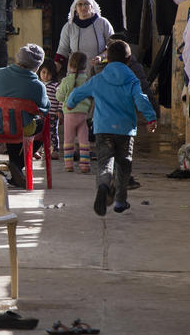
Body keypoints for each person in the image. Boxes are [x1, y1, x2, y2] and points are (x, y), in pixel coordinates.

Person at [66, 39, 158, 216]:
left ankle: (103, 186)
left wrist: (71, 103)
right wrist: (151, 118)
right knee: (124, 164)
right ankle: (120, 201)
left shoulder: (98, 79)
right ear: (129, 60)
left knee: (104, 162)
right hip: (125, 130)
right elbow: (141, 99)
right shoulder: (132, 80)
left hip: (103, 129)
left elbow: (78, 92)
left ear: (107, 59)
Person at [0, 43, 49, 188]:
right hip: (21, 130)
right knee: (38, 124)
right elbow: (45, 108)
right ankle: (16, 164)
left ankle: (15, 166)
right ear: (37, 66)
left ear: (18, 59)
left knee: (12, 120)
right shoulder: (37, 86)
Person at [54, 0, 114, 68]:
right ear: (75, 7)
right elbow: (62, 51)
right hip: (75, 72)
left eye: (86, 4)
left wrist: (101, 57)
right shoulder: (69, 27)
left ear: (92, 6)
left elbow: (113, 47)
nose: (83, 7)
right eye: (80, 4)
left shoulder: (103, 23)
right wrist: (53, 71)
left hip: (100, 70)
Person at [55, 51, 92, 173]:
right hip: (83, 115)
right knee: (84, 141)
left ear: (70, 65)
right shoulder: (87, 80)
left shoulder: (66, 81)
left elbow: (59, 97)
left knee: (68, 140)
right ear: (85, 66)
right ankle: (85, 165)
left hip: (69, 115)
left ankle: (69, 165)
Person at [38, 56, 62, 154]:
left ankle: (55, 150)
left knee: (52, 132)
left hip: (52, 114)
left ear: (53, 74)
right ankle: (40, 150)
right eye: (43, 72)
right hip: (40, 113)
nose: (45, 75)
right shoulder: (38, 84)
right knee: (39, 132)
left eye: (48, 73)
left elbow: (61, 99)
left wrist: (59, 110)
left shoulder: (56, 86)